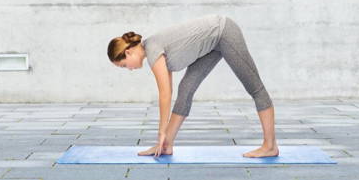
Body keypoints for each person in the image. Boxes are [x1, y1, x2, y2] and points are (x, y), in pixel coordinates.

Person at [107, 14, 279, 158]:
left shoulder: (152, 49)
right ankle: (166, 146)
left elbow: (165, 95)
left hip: (224, 32)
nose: (128, 69)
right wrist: (162, 138)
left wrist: (160, 132)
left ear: (128, 52)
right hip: (213, 45)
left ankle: (270, 146)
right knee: (185, 90)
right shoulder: (153, 49)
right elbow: (170, 90)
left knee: (254, 87)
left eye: (124, 65)